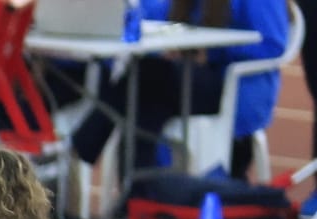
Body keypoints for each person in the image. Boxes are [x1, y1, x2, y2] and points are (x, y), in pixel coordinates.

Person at [68, 0, 291, 179]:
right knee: (144, 104)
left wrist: (213, 53)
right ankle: (138, 201)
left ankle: (83, 145)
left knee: (145, 77)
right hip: (184, 76)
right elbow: (151, 12)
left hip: (233, 87)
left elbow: (272, 44)